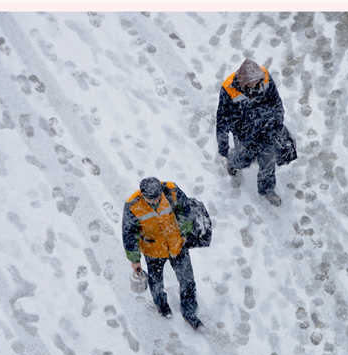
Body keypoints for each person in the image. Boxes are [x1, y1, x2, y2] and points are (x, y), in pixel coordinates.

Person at [122, 177, 202, 329]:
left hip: (177, 245)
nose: (154, 201)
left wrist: (185, 233)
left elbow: (186, 210)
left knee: (187, 279)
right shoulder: (132, 206)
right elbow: (129, 234)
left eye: (157, 198)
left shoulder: (171, 191)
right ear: (142, 194)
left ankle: (189, 309)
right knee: (156, 282)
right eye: (150, 199)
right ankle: (161, 305)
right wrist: (134, 259)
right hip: (153, 251)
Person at [216, 58, 285, 207]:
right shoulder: (228, 89)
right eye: (253, 82)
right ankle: (233, 162)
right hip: (244, 133)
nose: (257, 85)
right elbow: (222, 120)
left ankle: (267, 189)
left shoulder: (265, 78)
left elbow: (276, 103)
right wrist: (223, 147)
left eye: (258, 81)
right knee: (243, 159)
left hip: (266, 128)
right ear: (244, 82)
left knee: (268, 161)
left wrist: (276, 124)